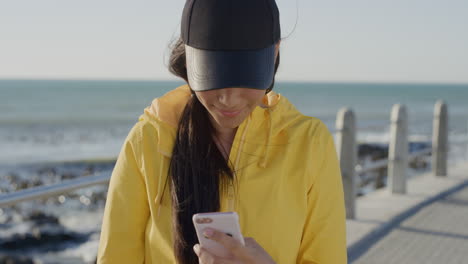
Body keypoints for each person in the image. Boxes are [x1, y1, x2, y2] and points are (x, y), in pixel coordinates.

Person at [97, 0, 347, 263]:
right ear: (190, 57)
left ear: (274, 53)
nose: (229, 100)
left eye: (245, 78)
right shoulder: (149, 139)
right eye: (213, 76)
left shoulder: (309, 143)